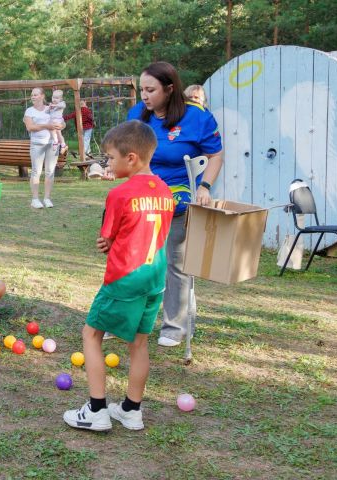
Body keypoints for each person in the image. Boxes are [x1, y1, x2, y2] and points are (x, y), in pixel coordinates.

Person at [63, 120, 174, 432]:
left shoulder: (120, 194)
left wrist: (107, 242)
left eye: (110, 158)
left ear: (131, 159)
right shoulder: (166, 191)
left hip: (125, 276)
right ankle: (131, 410)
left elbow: (108, 237)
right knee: (139, 343)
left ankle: (97, 409)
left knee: (91, 334)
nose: (108, 164)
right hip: (155, 278)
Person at [127, 62, 223, 347]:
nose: (144, 96)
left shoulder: (196, 116)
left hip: (179, 200)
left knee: (176, 262)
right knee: (138, 261)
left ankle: (174, 326)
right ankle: (126, 318)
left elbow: (215, 155)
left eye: (151, 90)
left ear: (170, 89)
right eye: (141, 90)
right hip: (143, 200)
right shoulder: (137, 115)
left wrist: (205, 186)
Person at [23, 87, 65, 209]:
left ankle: (47, 198)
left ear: (42, 96)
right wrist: (47, 126)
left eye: (35, 94)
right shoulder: (29, 111)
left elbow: (62, 123)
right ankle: (35, 199)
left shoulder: (51, 108)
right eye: (32, 95)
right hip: (37, 144)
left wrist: (60, 125)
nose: (33, 97)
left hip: (52, 144)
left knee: (50, 172)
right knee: (36, 172)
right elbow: (30, 127)